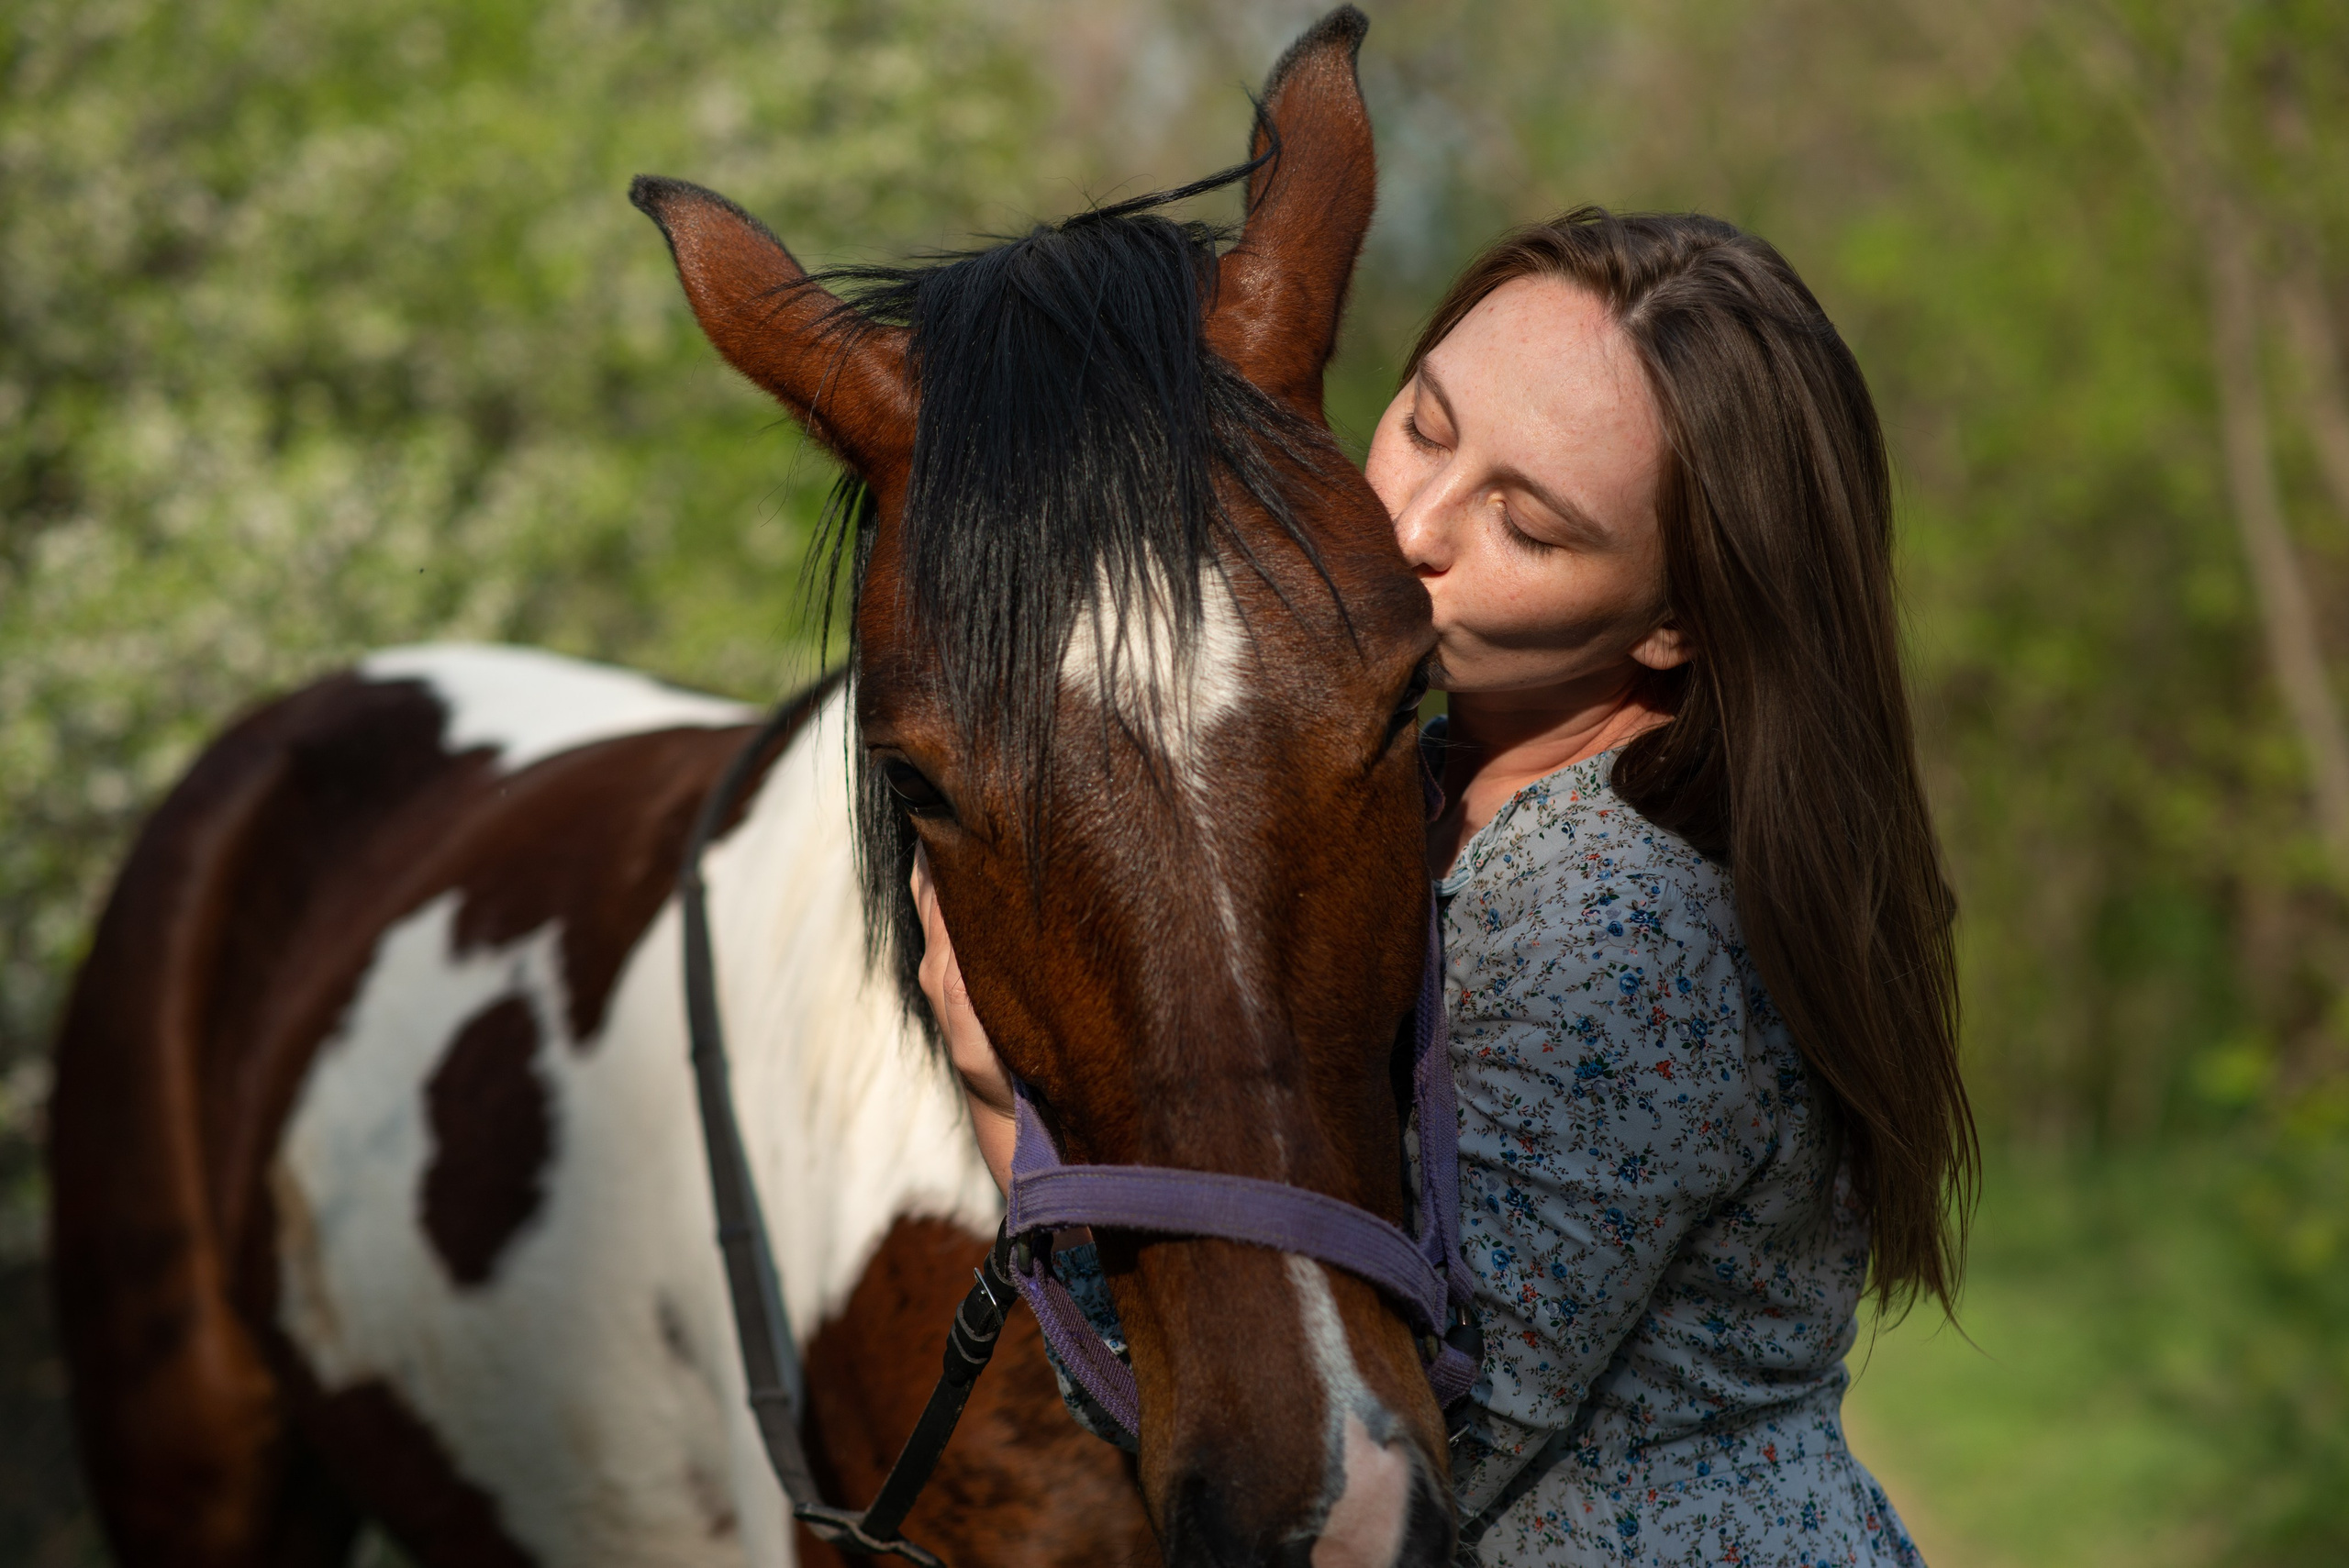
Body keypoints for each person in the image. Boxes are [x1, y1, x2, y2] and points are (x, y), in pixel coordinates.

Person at [910, 207, 1972, 1566]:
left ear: (1675, 620)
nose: (1407, 523)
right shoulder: (1427, 792)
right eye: (1422, 421)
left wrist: (1013, 1115)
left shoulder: (1618, 923)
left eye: (1523, 520)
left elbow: (1376, 1478)